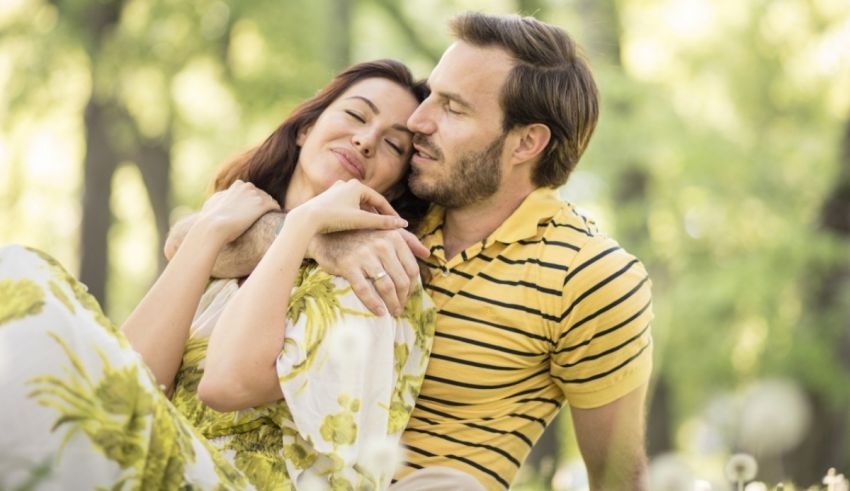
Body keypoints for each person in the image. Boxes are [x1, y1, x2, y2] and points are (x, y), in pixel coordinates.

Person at [181, 12, 655, 490]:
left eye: (453, 107)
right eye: (431, 95)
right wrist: (315, 237)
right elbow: (188, 241)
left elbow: (617, 473)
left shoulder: (588, 276)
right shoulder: (398, 201)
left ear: (527, 142)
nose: (417, 120)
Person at [0, 59, 436, 490]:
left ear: (395, 187)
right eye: (356, 115)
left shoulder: (375, 272)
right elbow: (131, 377)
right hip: (161, 467)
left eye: (394, 146)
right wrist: (209, 232)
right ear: (306, 128)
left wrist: (305, 225)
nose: (364, 140)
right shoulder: (234, 248)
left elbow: (226, 383)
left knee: (26, 274)